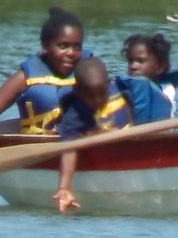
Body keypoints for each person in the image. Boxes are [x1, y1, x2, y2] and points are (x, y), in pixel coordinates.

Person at [0, 8, 92, 203]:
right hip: (38, 147)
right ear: (45, 46)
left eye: (77, 47)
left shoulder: (89, 72)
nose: (71, 53)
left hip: (82, 142)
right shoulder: (24, 78)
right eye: (63, 46)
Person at [50, 57, 133, 213]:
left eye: (102, 94)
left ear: (108, 84)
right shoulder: (74, 115)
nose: (97, 100)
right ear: (77, 90)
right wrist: (65, 187)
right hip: (104, 154)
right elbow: (69, 148)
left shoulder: (120, 91)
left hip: (129, 148)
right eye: (90, 96)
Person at [123, 31, 178, 118]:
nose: (133, 66)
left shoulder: (168, 94)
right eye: (130, 61)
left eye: (140, 61)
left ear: (160, 67)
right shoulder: (123, 91)